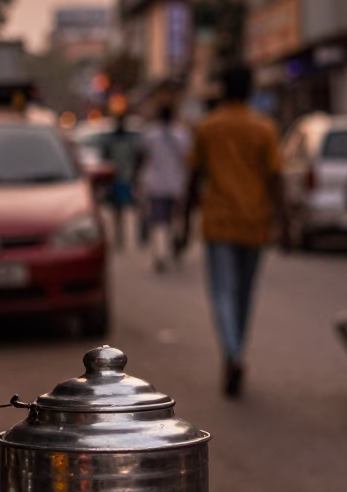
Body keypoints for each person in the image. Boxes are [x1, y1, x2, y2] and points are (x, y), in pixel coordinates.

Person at [184, 65, 285, 397]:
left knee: (223, 293)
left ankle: (232, 353)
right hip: (254, 222)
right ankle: (236, 351)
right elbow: (275, 178)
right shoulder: (263, 128)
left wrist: (183, 222)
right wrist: (282, 221)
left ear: (222, 89)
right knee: (244, 294)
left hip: (219, 223)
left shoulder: (208, 127)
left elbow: (193, 177)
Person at [138, 105, 190, 272]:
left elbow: (143, 157)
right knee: (174, 220)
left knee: (159, 222)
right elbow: (187, 159)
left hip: (156, 185)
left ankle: (160, 254)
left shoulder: (150, 135)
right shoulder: (182, 136)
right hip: (176, 185)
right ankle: (173, 246)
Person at [103, 114, 141, 250]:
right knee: (117, 210)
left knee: (125, 209)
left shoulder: (130, 141)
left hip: (125, 177)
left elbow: (137, 158)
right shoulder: (111, 141)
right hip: (116, 178)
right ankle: (119, 236)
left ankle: (125, 236)